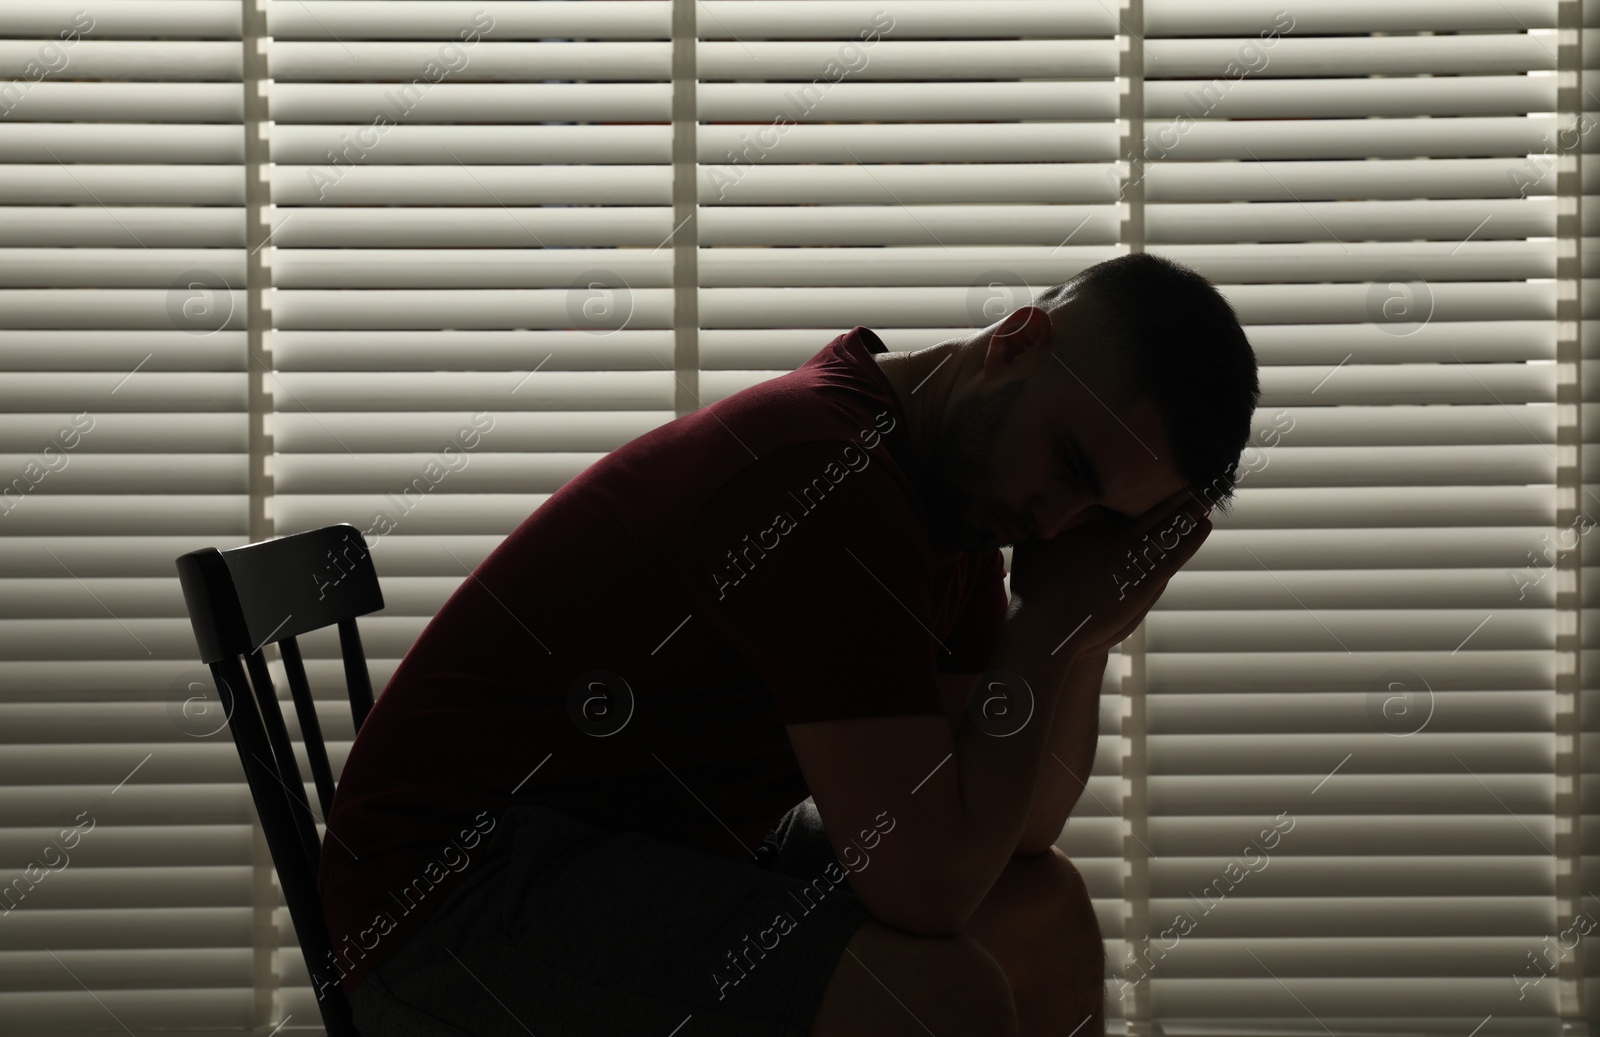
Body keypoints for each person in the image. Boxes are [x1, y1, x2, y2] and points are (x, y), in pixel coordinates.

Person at [318, 252, 1261, 1036]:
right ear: (1014, 342)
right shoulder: (825, 478)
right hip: (451, 912)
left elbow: (1016, 830)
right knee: (939, 1000)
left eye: (1101, 519)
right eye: (1069, 466)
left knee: (1041, 914)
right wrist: (1049, 629)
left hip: (635, 853)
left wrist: (1088, 626)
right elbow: (926, 885)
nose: (1057, 526)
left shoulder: (954, 501)